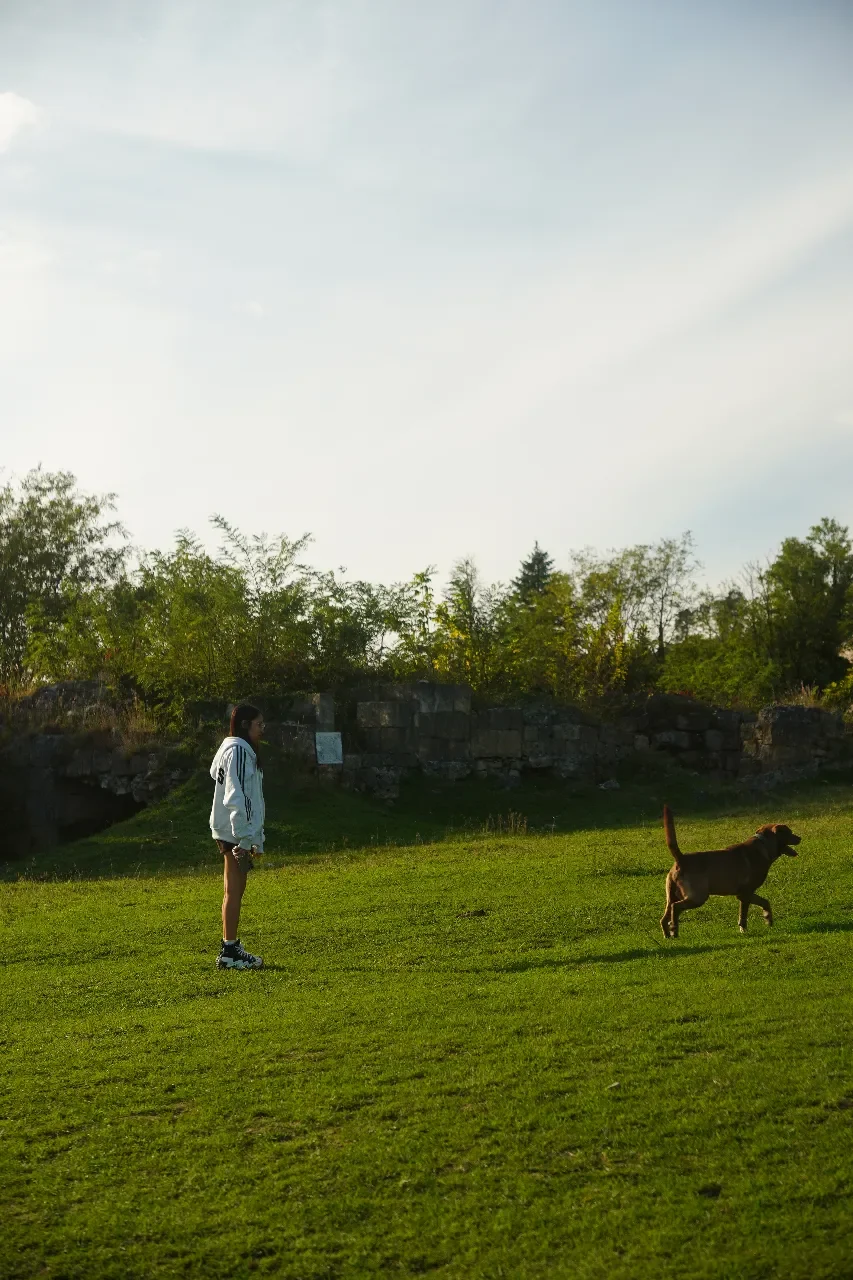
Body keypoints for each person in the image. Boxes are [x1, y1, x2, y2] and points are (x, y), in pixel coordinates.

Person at [209, 703, 266, 970]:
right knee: (234, 890)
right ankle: (229, 950)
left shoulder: (229, 748)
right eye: (259, 725)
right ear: (245, 725)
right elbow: (237, 796)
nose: (262, 730)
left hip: (230, 829)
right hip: (234, 830)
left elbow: (217, 776)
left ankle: (230, 946)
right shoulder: (239, 750)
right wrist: (244, 839)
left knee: (234, 889)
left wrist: (255, 836)